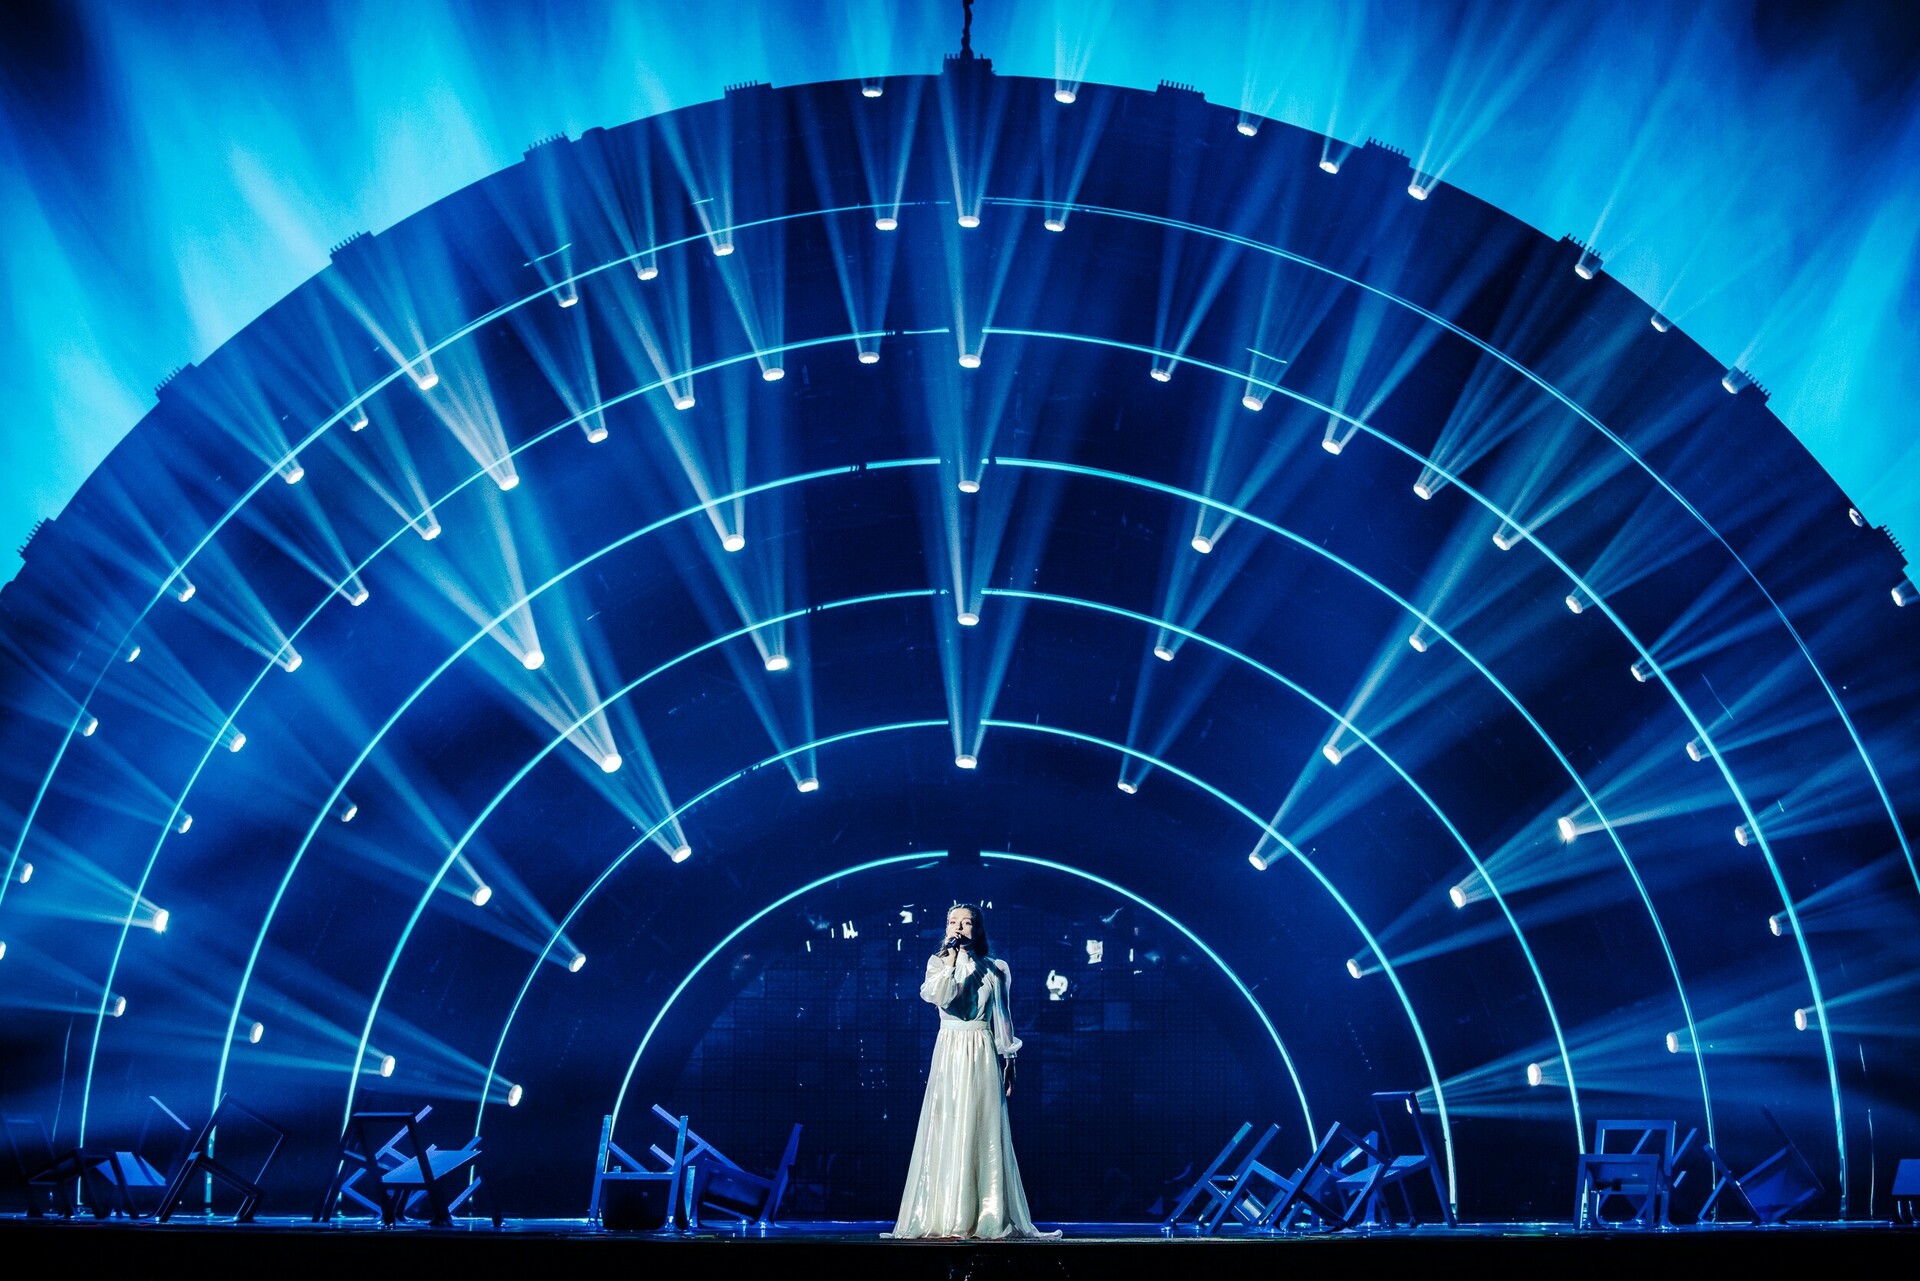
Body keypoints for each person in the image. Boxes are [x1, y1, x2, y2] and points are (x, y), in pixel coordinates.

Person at [892, 903, 1057, 1239]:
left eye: (966, 922)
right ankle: (947, 1214)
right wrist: (951, 962)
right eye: (952, 921)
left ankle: (984, 1214)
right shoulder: (937, 964)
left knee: (981, 1126)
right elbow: (939, 997)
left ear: (977, 929)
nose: (959, 927)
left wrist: (1009, 1060)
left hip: (981, 1049)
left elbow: (1002, 1018)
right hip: (950, 1051)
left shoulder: (996, 968)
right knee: (949, 1125)